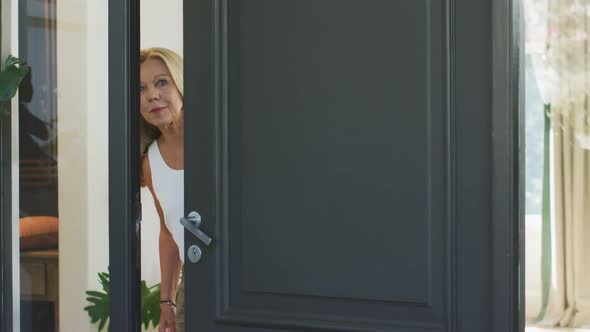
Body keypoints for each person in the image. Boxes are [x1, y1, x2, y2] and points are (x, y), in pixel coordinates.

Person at [139, 47, 185, 332]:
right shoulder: (150, 162)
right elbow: (169, 233)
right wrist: (167, 302)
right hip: (197, 281)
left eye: (161, 82)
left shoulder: (219, 133)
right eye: (141, 88)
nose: (152, 95)